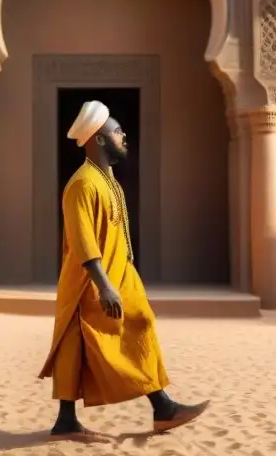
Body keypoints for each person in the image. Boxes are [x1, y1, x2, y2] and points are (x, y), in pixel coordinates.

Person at [38, 100, 210, 443]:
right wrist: (103, 285)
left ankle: (163, 407)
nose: (124, 135)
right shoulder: (82, 184)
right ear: (100, 139)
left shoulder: (108, 181)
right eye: (117, 131)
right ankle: (73, 420)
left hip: (122, 275)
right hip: (90, 282)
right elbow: (83, 239)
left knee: (140, 325)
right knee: (76, 343)